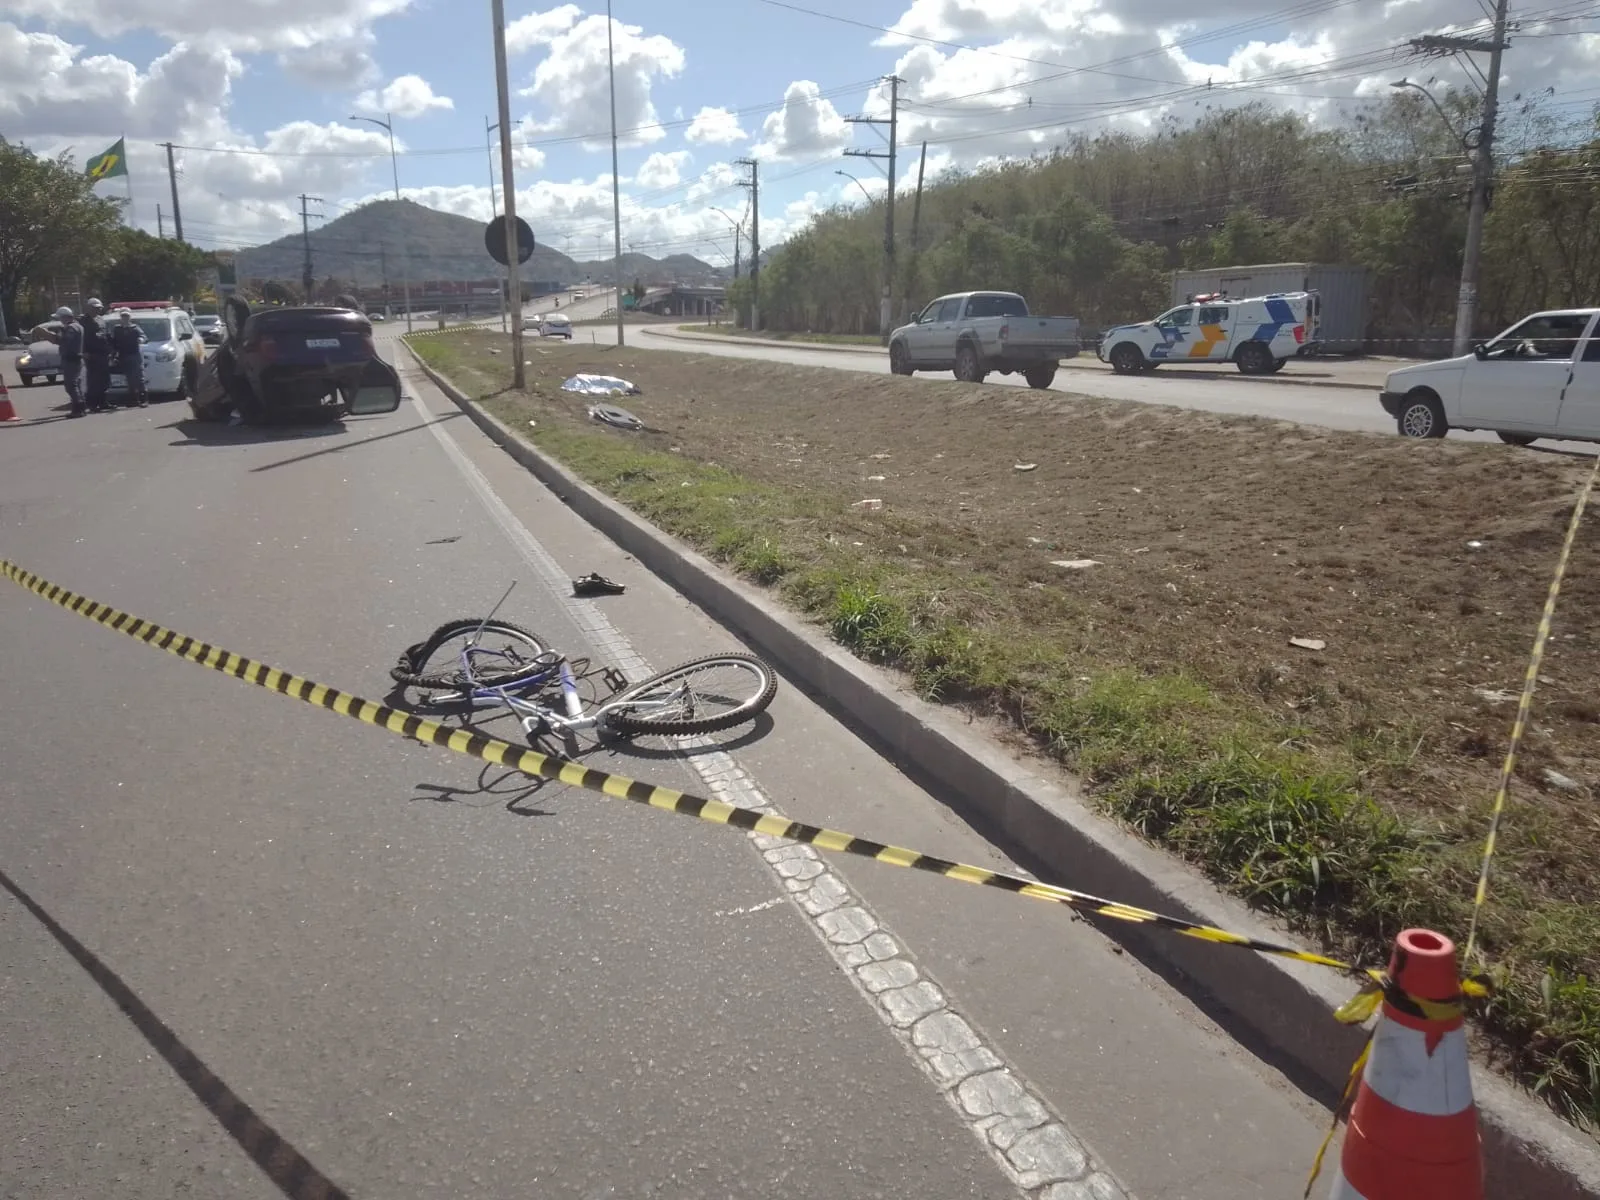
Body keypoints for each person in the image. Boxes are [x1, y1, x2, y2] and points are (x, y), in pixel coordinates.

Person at [30, 307, 86, 417]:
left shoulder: (71, 328)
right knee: (76, 385)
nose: (60, 320)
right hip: (76, 358)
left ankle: (78, 409)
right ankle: (80, 408)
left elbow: (63, 341)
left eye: (60, 318)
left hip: (71, 359)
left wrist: (48, 335)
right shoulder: (77, 326)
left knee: (71, 385)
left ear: (65, 317)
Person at [108, 309, 149, 407]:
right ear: (120, 318)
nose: (125, 318)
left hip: (134, 355)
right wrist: (112, 355)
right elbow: (114, 343)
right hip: (123, 355)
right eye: (123, 316)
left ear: (130, 317)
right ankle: (134, 400)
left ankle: (144, 400)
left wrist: (141, 339)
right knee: (129, 379)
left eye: (126, 316)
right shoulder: (117, 329)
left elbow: (144, 337)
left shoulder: (135, 328)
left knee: (139, 378)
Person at [80, 297, 113, 413]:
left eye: (99, 308)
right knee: (93, 380)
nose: (97, 311)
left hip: (103, 354)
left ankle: (103, 402)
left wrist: (110, 349)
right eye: (95, 308)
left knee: (104, 379)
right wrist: (83, 352)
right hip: (91, 354)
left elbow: (106, 335)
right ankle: (92, 404)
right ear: (89, 308)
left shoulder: (101, 320)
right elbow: (81, 338)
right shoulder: (82, 322)